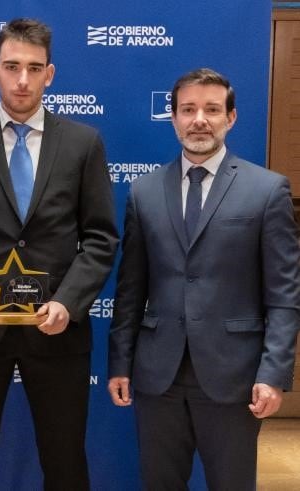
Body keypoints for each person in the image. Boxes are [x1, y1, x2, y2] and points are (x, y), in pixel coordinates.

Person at [0, 18, 118, 490]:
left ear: (50, 74)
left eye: (34, 68)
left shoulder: (84, 143)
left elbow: (100, 238)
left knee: (66, 462)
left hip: (58, 332)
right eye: (12, 67)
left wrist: (69, 304)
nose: (23, 80)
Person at [108, 68, 300, 489]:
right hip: (158, 376)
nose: (200, 119)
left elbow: (284, 296)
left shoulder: (267, 191)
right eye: (188, 109)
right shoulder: (143, 191)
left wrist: (273, 373)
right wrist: (120, 362)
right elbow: (129, 289)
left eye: (212, 109)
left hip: (235, 378)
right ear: (173, 117)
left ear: (231, 118)